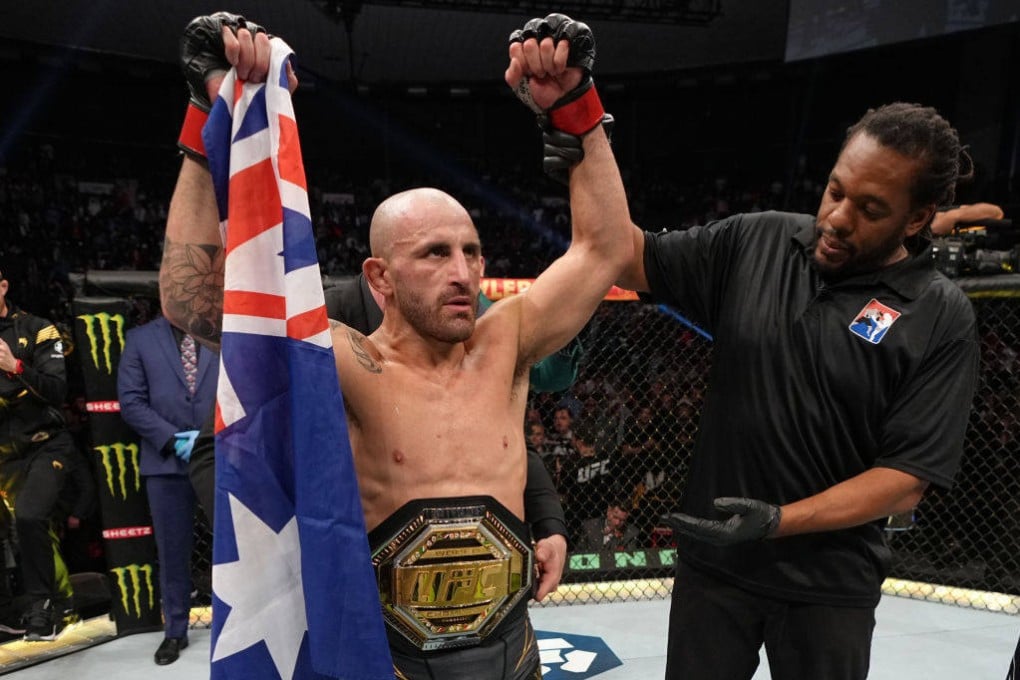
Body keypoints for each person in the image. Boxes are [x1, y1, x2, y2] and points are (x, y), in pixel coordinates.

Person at [160, 12, 631, 679]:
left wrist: (580, 112)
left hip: (514, 648)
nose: (464, 272)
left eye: (471, 251)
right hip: (393, 659)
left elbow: (604, 249)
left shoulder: (507, 341)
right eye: (436, 253)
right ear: (379, 277)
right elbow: (193, 301)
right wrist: (202, 123)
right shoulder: (350, 363)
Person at [508, 28, 980, 680]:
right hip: (714, 569)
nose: (839, 217)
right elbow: (618, 247)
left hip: (830, 585)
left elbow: (904, 477)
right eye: (836, 191)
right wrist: (580, 118)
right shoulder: (760, 241)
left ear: (919, 217)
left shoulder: (940, 313)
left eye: (871, 208)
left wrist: (779, 522)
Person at [0, 265, 95, 641]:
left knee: (29, 516)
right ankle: (55, 602)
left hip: (44, 444)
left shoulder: (38, 328)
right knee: (26, 529)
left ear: (3, 285)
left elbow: (56, 390)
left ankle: (43, 608)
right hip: (5, 453)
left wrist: (15, 367)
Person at [116, 315, 218, 665]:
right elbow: (131, 402)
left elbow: (239, 390)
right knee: (172, 551)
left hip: (220, 458)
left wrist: (210, 438)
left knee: (237, 547)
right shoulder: (140, 338)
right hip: (164, 463)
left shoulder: (221, 333)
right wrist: (172, 439)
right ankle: (175, 630)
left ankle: (239, 625)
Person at [574, 496, 639, 553]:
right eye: (615, 517)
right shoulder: (590, 527)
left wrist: (615, 538)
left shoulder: (631, 533)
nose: (617, 523)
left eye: (622, 520)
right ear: (609, 511)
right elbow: (578, 554)